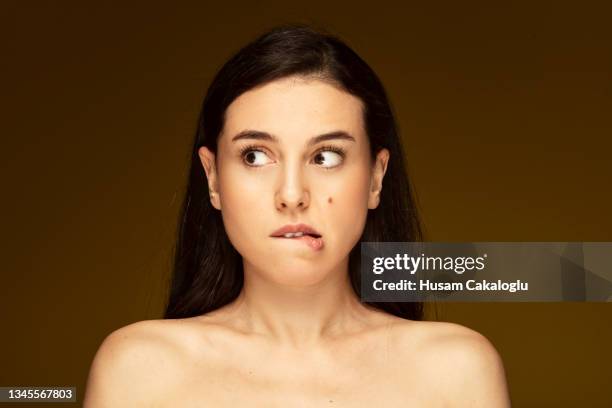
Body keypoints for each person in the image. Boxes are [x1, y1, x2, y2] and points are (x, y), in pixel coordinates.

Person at [84, 24, 511, 407]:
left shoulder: (457, 371)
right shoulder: (139, 370)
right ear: (212, 178)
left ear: (376, 177)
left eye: (325, 157)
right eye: (254, 156)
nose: (292, 195)